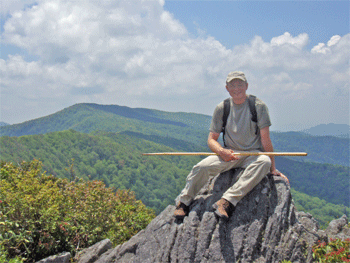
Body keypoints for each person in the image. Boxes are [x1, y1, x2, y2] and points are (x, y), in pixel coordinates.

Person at [174, 71, 288, 220]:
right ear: (227, 88)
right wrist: (222, 151)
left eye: (240, 84)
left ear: (246, 86)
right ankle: (183, 202)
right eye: (232, 85)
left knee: (264, 161)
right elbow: (211, 139)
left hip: (253, 154)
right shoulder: (222, 108)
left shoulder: (258, 106)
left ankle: (227, 201)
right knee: (201, 167)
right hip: (229, 154)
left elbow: (265, 139)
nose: (236, 88)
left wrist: (272, 169)